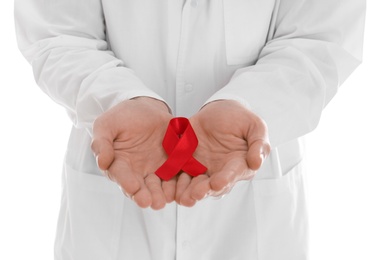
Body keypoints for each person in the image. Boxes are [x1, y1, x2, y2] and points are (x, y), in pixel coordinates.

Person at [15, 0, 365, 259]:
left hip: (254, 215)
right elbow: (58, 31)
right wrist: (118, 97)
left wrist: (249, 105)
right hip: (112, 206)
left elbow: (321, 38)